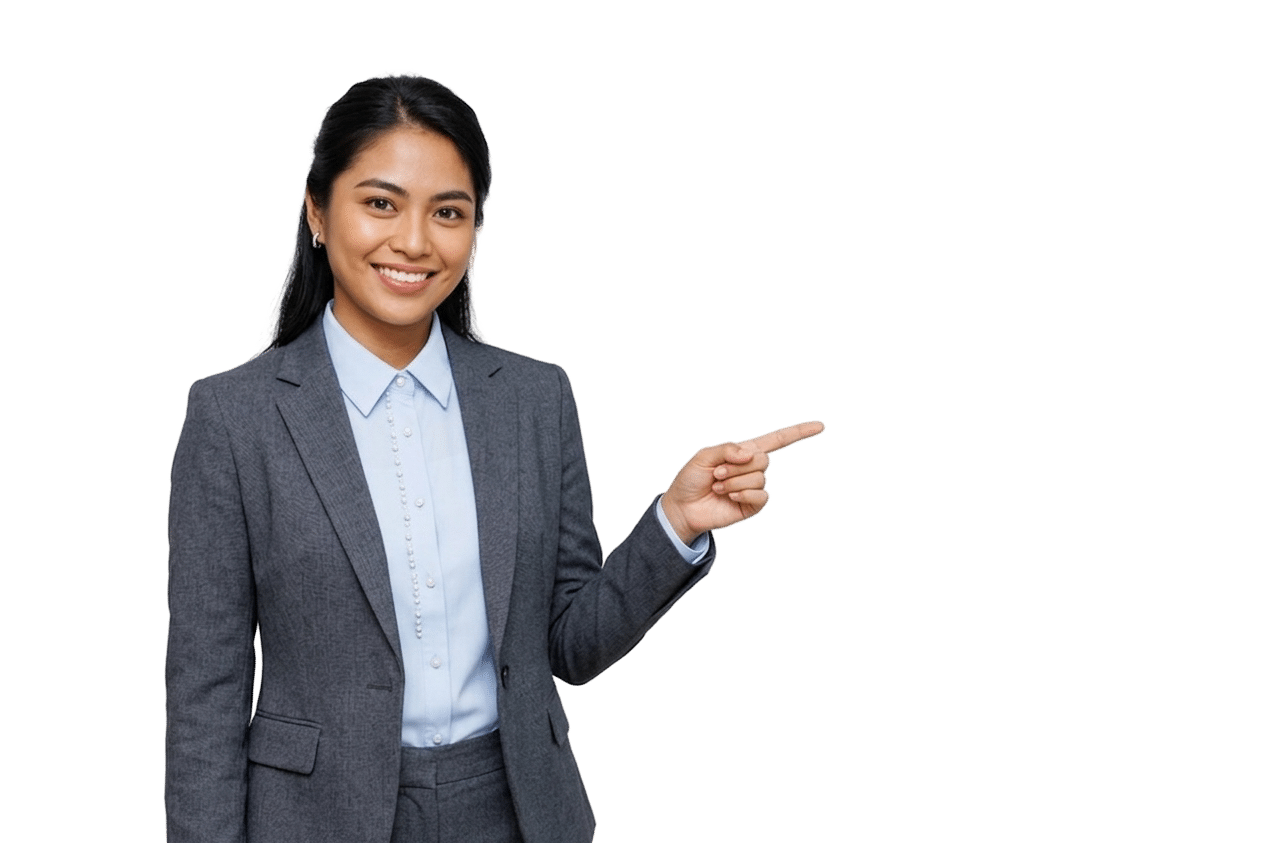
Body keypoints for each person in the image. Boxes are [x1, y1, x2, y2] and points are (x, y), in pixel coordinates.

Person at [165, 69, 825, 843]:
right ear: (316, 210)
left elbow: (570, 644)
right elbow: (204, 693)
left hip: (515, 809)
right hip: (319, 817)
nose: (413, 241)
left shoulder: (533, 399)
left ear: (476, 229)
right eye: (380, 203)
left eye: (449, 212)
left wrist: (675, 520)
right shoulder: (234, 415)